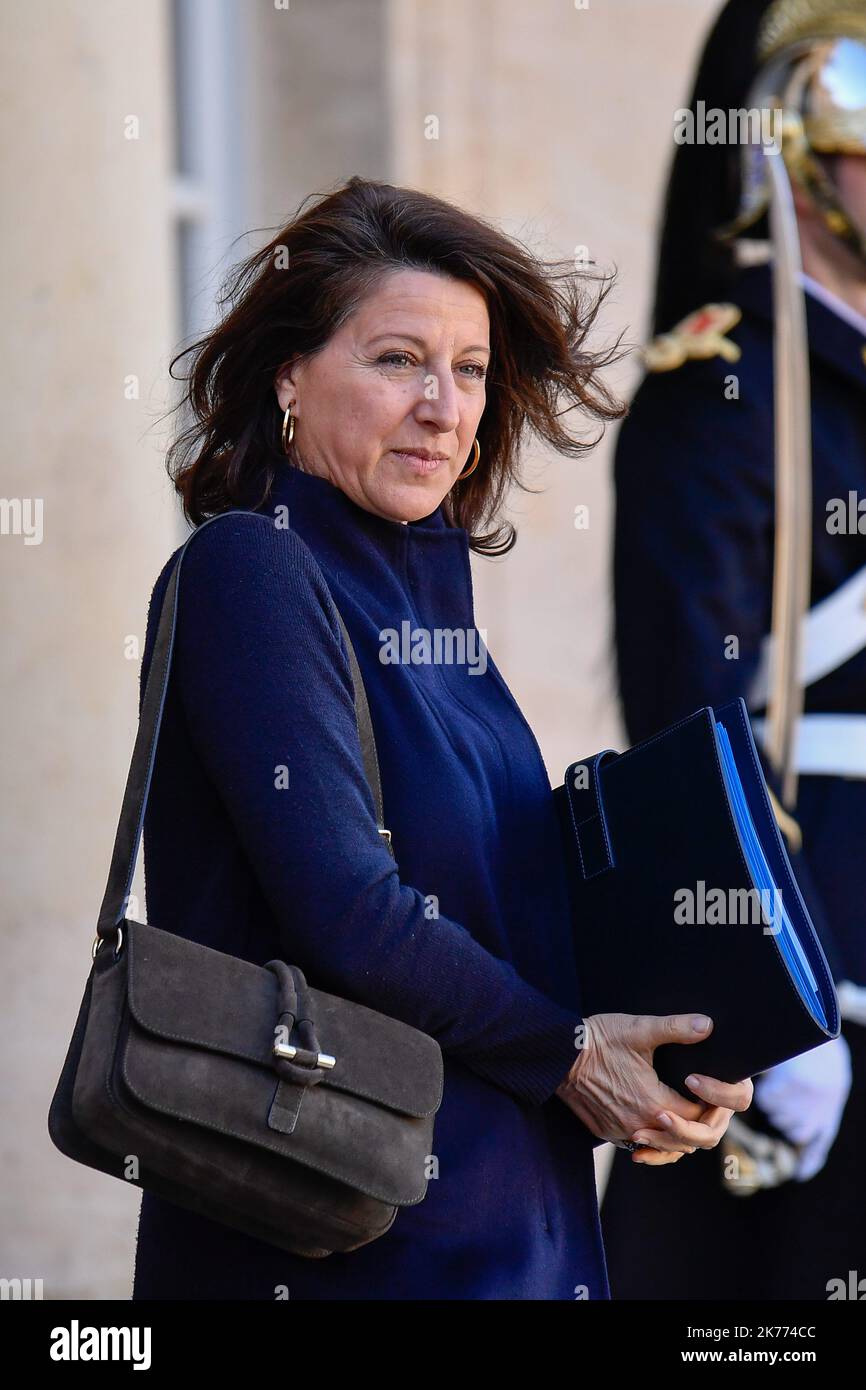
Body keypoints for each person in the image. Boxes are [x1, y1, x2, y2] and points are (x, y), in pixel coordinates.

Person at [129, 176, 751, 1301]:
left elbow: (496, 914)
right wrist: (570, 1057)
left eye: (468, 370)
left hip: (510, 1235)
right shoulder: (255, 571)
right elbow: (351, 911)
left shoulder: (430, 608)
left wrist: (662, 1048)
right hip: (338, 1243)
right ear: (287, 376)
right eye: (396, 360)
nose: (442, 406)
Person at [604, 0, 866, 1300]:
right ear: (796, 131)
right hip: (815, 1012)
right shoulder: (723, 384)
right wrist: (769, 1007)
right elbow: (685, 721)